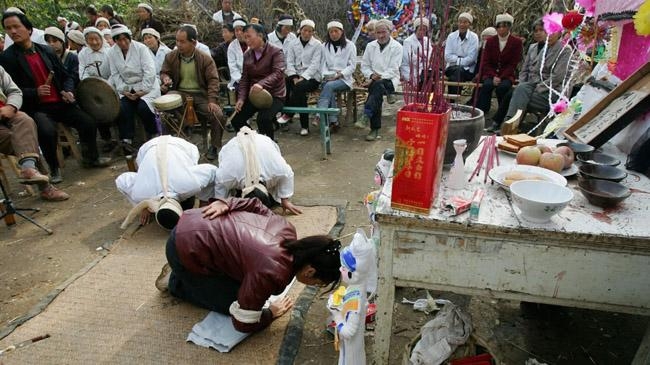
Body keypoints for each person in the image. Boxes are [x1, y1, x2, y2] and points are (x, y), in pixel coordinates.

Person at [155, 196, 342, 333]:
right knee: (231, 304)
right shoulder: (272, 272)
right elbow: (243, 323)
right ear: (310, 271)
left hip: (193, 220)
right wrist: (269, 313)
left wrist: (226, 203)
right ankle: (177, 281)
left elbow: (255, 204)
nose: (315, 286)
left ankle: (187, 269)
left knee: (245, 288)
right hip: (183, 249)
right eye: (318, 283)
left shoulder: (286, 229)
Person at [0, 11, 111, 182]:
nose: (13, 32)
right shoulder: (7, 58)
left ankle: (91, 158)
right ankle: (54, 169)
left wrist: (68, 91)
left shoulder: (46, 51)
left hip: (59, 103)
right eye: (8, 29)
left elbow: (66, 75)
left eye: (16, 27)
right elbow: (11, 91)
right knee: (46, 130)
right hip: (37, 108)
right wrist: (34, 92)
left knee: (87, 121)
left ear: (28, 29)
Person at [116, 135, 218, 230]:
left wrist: (204, 203)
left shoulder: (190, 185)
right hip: (151, 148)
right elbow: (121, 181)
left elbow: (213, 171)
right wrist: (143, 205)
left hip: (178, 146)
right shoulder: (140, 194)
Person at [488, 19, 572, 132]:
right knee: (520, 90)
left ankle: (509, 125)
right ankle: (510, 124)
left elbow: (557, 77)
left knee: (517, 95)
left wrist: (537, 88)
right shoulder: (543, 47)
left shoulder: (565, 49)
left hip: (552, 91)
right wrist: (526, 85)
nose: (550, 35)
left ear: (559, 33)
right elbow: (527, 70)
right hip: (532, 85)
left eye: (553, 32)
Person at [0, 65, 69, 200]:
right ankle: (45, 186)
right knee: (20, 139)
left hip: (6, 114)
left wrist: (11, 106)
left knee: (25, 120)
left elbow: (14, 91)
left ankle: (28, 169)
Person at [160, 25, 226, 161]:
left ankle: (214, 146)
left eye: (183, 41)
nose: (179, 45)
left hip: (201, 95)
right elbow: (165, 71)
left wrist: (212, 100)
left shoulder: (205, 59)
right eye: (177, 41)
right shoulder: (171, 56)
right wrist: (165, 78)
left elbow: (214, 80)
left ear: (194, 42)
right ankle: (174, 145)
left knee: (217, 114)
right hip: (180, 92)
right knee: (164, 108)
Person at [214, 126, 301, 213]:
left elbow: (288, 173)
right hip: (233, 145)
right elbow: (220, 182)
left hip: (262, 141)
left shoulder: (278, 170)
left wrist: (284, 200)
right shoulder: (227, 176)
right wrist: (221, 202)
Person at [107, 24, 161, 153]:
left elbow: (150, 71)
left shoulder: (141, 48)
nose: (123, 42)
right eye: (119, 40)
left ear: (129, 38)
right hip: (127, 87)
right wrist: (123, 90)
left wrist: (143, 91)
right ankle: (127, 140)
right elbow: (115, 74)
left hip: (147, 86)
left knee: (144, 107)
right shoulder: (111, 53)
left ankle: (153, 135)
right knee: (123, 107)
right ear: (115, 41)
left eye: (125, 39)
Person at [231, 24, 286, 142]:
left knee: (263, 119)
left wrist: (262, 84)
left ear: (260, 36)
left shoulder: (276, 52)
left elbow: (278, 73)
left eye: (249, 37)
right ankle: (254, 141)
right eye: (245, 38)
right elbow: (245, 79)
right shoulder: (247, 54)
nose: (247, 40)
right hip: (254, 95)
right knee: (236, 120)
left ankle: (270, 147)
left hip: (275, 95)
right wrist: (241, 98)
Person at [358, 19, 402, 141]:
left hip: (390, 79)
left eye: (384, 32)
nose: (381, 35)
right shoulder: (370, 46)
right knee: (376, 90)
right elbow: (365, 65)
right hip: (375, 79)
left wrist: (378, 77)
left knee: (376, 87)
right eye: (378, 32)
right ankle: (388, 96)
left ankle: (369, 119)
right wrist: (372, 75)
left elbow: (394, 68)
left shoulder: (397, 47)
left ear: (390, 31)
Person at [278, 19, 322, 136]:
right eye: (305, 30)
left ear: (313, 32)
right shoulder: (293, 44)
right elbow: (290, 62)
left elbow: (315, 64)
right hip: (295, 75)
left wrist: (303, 77)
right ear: (300, 30)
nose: (307, 33)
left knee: (299, 88)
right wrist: (293, 76)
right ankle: (303, 126)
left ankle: (289, 114)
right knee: (287, 85)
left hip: (312, 77)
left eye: (310, 31)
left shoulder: (317, 45)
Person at [473, 13, 523, 115]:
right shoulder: (490, 41)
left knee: (503, 88)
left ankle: (503, 113)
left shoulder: (516, 42)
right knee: (486, 85)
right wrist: (493, 76)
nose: (501, 29)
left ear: (509, 27)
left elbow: (513, 64)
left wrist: (501, 77)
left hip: (507, 74)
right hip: (490, 73)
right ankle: (481, 111)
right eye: (499, 26)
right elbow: (485, 62)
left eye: (504, 26)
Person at [79, 26, 115, 152]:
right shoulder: (83, 54)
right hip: (93, 89)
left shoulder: (109, 52)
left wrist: (106, 85)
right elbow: (82, 72)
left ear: (101, 39)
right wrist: (91, 84)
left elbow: (114, 71)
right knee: (95, 110)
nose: (94, 42)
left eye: (96, 39)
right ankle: (107, 139)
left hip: (111, 86)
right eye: (90, 39)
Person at [317, 20, 357, 132]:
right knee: (328, 86)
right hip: (328, 78)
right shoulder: (324, 46)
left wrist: (340, 74)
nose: (334, 34)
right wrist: (325, 75)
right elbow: (322, 64)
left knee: (328, 86)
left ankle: (320, 113)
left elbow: (352, 66)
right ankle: (334, 121)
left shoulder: (350, 46)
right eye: (331, 32)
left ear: (342, 32)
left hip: (344, 79)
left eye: (336, 31)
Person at [444, 12, 479, 95]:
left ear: (469, 24)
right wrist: (461, 59)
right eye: (460, 22)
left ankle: (452, 99)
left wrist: (456, 59)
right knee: (456, 72)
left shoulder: (474, 37)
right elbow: (447, 56)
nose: (462, 24)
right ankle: (454, 98)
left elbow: (471, 58)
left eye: (465, 22)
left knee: (457, 73)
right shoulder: (451, 36)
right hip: (451, 68)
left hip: (468, 70)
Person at [401, 17, 433, 82]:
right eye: (420, 29)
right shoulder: (408, 41)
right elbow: (409, 57)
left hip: (424, 68)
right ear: (416, 29)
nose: (422, 32)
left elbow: (430, 54)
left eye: (424, 30)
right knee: (417, 81)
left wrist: (421, 54)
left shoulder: (427, 40)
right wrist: (422, 57)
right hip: (410, 69)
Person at [227, 18, 247, 90]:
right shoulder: (232, 46)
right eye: (236, 30)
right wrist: (241, 80)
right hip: (238, 79)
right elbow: (232, 67)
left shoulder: (252, 42)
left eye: (241, 30)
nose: (238, 33)